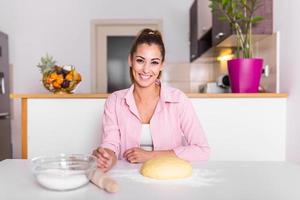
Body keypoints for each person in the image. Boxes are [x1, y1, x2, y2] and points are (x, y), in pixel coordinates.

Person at [92, 28, 210, 172]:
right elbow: (111, 144)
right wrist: (106, 157)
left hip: (168, 182)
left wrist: (151, 156)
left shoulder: (178, 100)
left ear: (161, 65)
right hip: (126, 180)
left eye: (154, 62)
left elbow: (202, 150)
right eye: (140, 60)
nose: (146, 69)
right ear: (130, 60)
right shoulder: (114, 101)